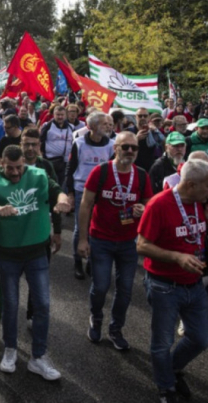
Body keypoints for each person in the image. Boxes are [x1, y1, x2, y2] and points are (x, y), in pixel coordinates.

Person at [0, 145, 70, 379]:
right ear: (1, 164)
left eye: (19, 167)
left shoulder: (38, 175)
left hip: (36, 252)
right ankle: (10, 349)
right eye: (10, 168)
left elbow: (57, 191)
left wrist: (62, 201)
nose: (16, 172)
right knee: (10, 303)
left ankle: (38, 357)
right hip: (8, 254)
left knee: (42, 304)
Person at [137, 159, 208, 403]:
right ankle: (165, 386)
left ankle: (172, 369)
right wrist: (177, 257)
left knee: (200, 338)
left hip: (195, 285)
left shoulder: (201, 203)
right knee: (162, 343)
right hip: (164, 286)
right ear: (190, 185)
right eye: (206, 186)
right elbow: (142, 245)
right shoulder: (159, 204)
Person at [77, 131, 153, 351]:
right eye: (125, 147)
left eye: (134, 148)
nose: (129, 151)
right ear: (115, 148)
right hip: (101, 239)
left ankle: (115, 329)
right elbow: (85, 205)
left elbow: (150, 205)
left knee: (125, 290)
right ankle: (96, 317)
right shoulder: (100, 172)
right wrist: (82, 240)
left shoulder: (141, 175)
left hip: (129, 242)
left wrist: (144, 209)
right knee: (100, 286)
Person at [65, 111, 115, 280]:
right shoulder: (78, 143)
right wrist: (70, 193)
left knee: (98, 228)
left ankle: (92, 261)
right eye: (103, 124)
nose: (107, 127)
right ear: (92, 126)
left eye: (108, 124)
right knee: (81, 228)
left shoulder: (111, 145)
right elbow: (70, 168)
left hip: (102, 193)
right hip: (81, 190)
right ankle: (77, 261)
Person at [40, 105, 74, 185]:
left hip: (65, 162)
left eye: (62, 115)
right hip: (50, 160)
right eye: (58, 115)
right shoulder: (47, 126)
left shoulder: (71, 127)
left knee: (61, 184)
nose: (60, 117)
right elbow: (40, 141)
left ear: (65, 115)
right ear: (54, 115)